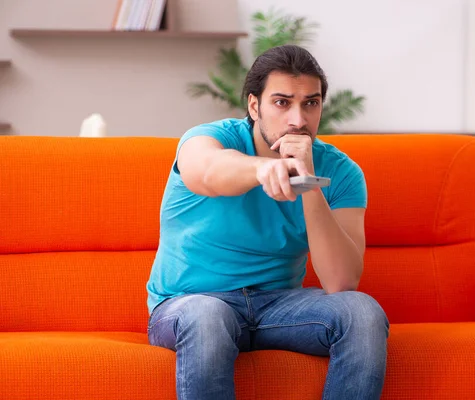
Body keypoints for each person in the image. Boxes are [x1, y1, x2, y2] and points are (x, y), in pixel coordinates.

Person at [146, 44, 389, 400]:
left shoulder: (341, 171)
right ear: (254, 105)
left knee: (362, 312)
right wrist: (266, 169)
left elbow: (340, 281)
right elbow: (208, 172)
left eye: (311, 102)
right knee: (208, 316)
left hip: (280, 306)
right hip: (192, 302)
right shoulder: (209, 139)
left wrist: (307, 182)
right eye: (282, 102)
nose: (298, 120)